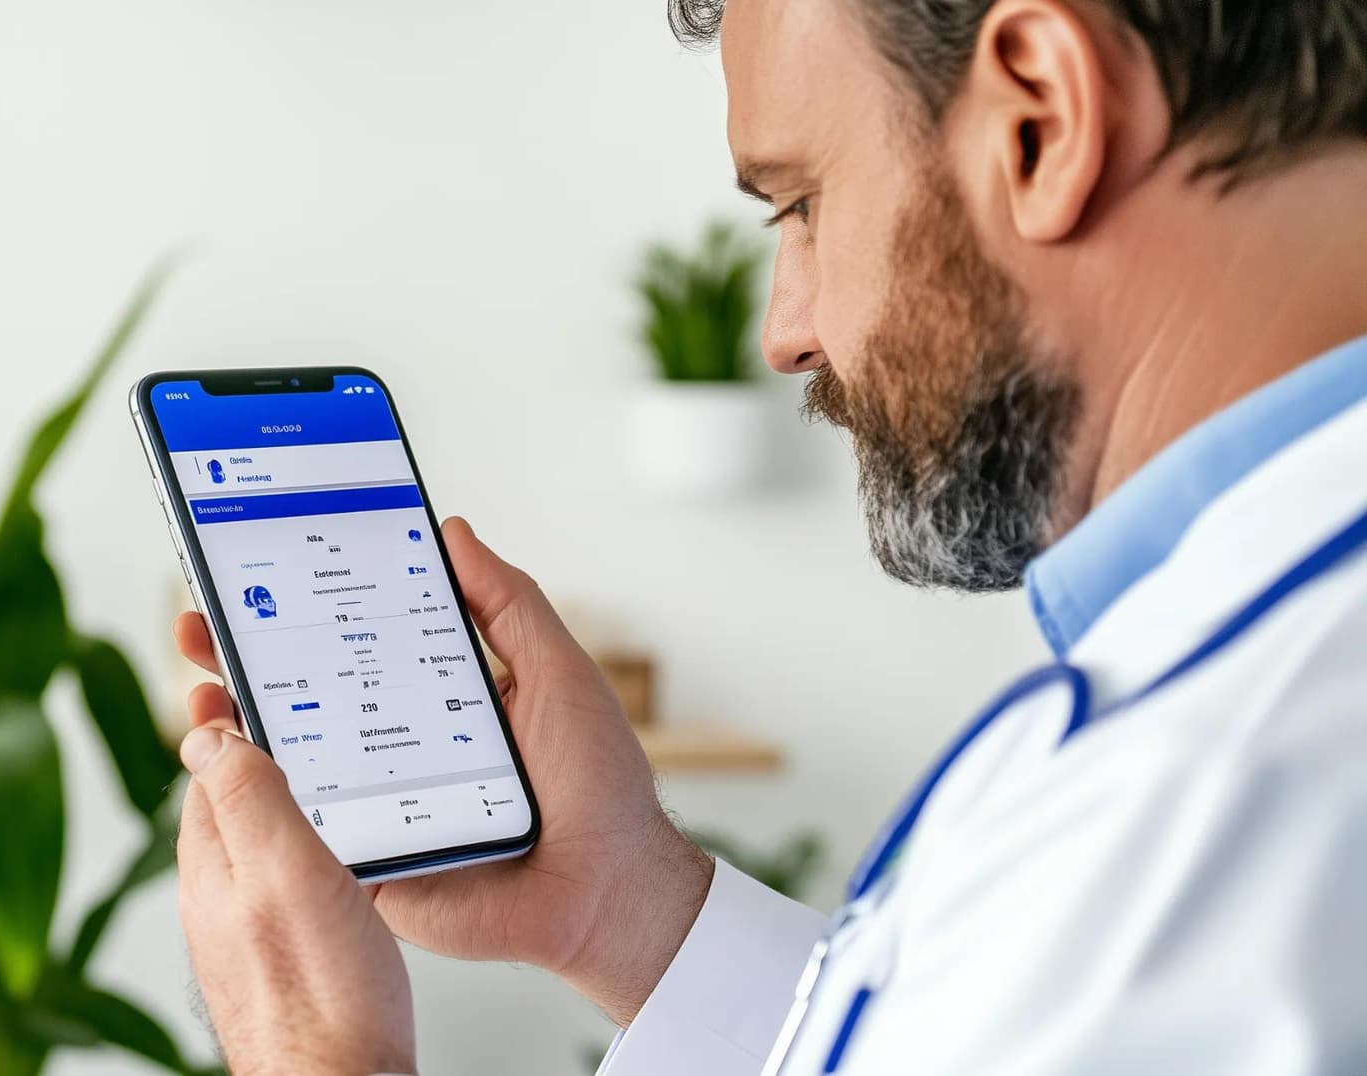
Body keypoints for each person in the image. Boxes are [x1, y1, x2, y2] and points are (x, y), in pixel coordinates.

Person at [167, 0, 1367, 1072]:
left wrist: (318, 1053)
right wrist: (625, 911)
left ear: (1041, 120)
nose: (784, 332)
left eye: (799, 201)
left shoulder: (1207, 802)